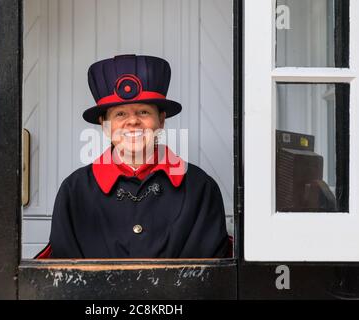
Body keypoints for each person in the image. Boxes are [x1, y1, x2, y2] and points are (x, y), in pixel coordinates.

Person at [36, 54, 230, 259]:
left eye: (144, 112)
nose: (133, 122)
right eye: (120, 114)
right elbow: (65, 272)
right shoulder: (74, 190)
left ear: (161, 120)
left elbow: (207, 273)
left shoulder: (199, 187)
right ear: (104, 124)